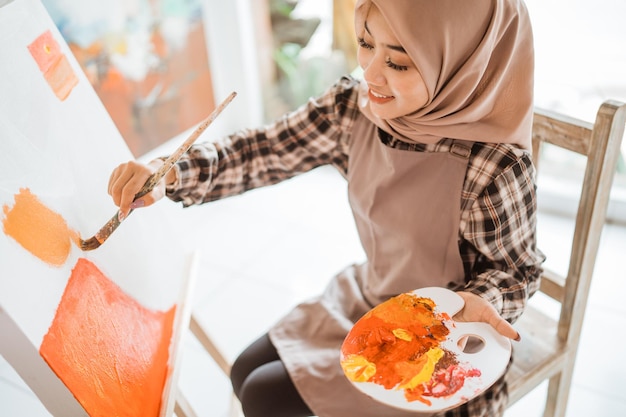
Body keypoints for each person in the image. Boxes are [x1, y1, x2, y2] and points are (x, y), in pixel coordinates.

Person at [108, 0, 545, 416]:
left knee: (262, 397)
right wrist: (172, 173)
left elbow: (515, 273)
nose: (370, 72)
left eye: (398, 62)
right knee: (244, 373)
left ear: (462, 65)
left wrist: (480, 299)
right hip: (371, 300)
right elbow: (263, 151)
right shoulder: (354, 111)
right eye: (366, 43)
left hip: (443, 342)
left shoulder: (493, 165)